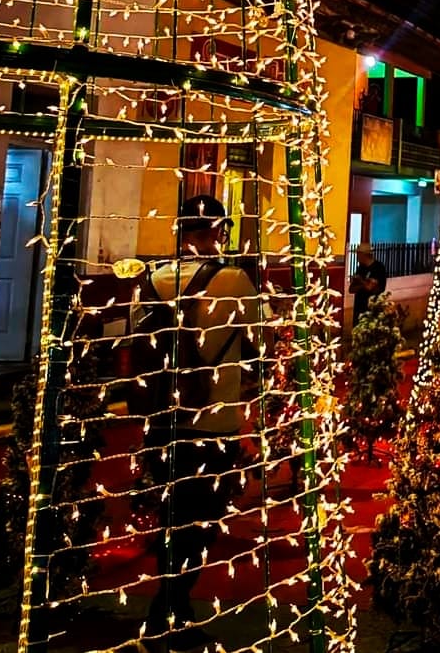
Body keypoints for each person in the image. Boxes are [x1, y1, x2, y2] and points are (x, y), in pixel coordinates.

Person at [140, 194, 272, 647]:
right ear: (219, 231)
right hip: (212, 424)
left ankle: (170, 607)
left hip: (161, 423)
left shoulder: (153, 279)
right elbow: (263, 340)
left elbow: (143, 346)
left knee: (171, 517)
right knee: (201, 524)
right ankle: (168, 612)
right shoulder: (235, 280)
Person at [350, 242, 387, 324]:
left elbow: (372, 288)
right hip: (359, 309)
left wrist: (361, 282)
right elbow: (351, 289)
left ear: (364, 255)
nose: (357, 257)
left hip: (372, 310)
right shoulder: (361, 268)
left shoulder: (379, 268)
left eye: (358, 254)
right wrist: (364, 283)